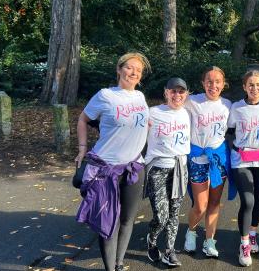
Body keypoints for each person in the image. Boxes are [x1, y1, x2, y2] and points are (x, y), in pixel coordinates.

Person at [75, 52, 151, 271]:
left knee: (127, 219)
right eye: (129, 67)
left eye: (138, 70)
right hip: (106, 170)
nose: (134, 72)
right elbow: (83, 119)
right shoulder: (105, 95)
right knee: (109, 222)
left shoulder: (140, 97)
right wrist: (82, 149)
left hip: (134, 167)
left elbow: (142, 123)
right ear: (119, 70)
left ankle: (119, 264)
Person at [183, 66, 235, 258]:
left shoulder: (228, 105)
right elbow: (173, 106)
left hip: (218, 159)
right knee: (200, 205)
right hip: (197, 159)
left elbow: (236, 126)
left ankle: (210, 240)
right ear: (203, 83)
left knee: (214, 202)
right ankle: (191, 232)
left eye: (217, 82)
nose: (213, 85)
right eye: (209, 81)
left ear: (223, 84)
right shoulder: (192, 101)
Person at [227, 70, 259, 266]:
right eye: (250, 85)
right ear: (244, 87)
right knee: (248, 200)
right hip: (241, 159)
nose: (254, 88)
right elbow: (229, 131)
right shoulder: (236, 108)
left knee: (257, 198)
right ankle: (244, 243)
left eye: (258, 85)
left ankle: (253, 233)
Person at [144, 77, 191, 267]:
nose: (177, 95)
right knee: (161, 217)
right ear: (166, 92)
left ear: (186, 94)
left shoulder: (188, 113)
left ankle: (170, 251)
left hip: (180, 169)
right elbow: (133, 129)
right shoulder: (152, 113)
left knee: (174, 213)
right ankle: (152, 239)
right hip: (157, 169)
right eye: (173, 91)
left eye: (181, 92)